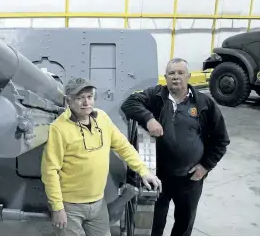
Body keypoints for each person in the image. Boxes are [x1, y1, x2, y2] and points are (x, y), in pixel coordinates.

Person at [120, 57, 230, 236]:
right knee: (155, 223)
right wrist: (149, 119)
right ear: (165, 77)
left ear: (188, 76)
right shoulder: (156, 95)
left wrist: (205, 166)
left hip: (190, 178)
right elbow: (129, 103)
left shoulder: (204, 104)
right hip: (159, 177)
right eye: (171, 73)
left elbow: (221, 139)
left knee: (184, 222)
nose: (176, 77)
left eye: (180, 73)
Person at [41, 77, 162, 236]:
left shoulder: (103, 118)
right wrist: (57, 207)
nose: (86, 102)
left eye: (89, 97)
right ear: (68, 101)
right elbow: (50, 171)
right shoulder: (59, 128)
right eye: (80, 98)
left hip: (98, 203)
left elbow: (123, 146)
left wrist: (143, 171)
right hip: (70, 206)